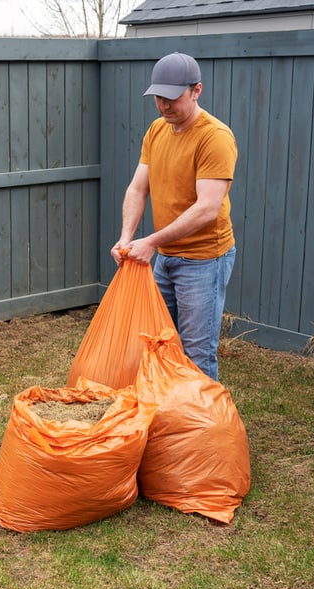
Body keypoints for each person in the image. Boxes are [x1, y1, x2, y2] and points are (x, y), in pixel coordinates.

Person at [110, 52, 238, 381]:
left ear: (196, 90)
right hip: (166, 256)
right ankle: (172, 418)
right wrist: (127, 237)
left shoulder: (215, 137)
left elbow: (207, 208)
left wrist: (150, 241)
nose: (164, 106)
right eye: (158, 98)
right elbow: (138, 189)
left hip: (203, 259)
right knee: (160, 342)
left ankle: (204, 430)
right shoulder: (157, 131)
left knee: (196, 353)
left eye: (171, 98)